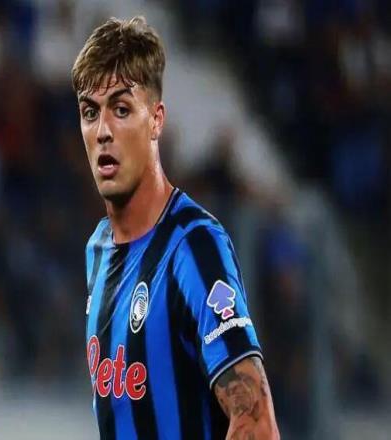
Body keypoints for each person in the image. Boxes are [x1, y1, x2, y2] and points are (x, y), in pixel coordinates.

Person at [72, 16, 280, 439]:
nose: (103, 131)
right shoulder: (98, 250)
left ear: (156, 120)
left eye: (122, 109)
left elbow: (257, 421)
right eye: (90, 113)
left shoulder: (193, 246)